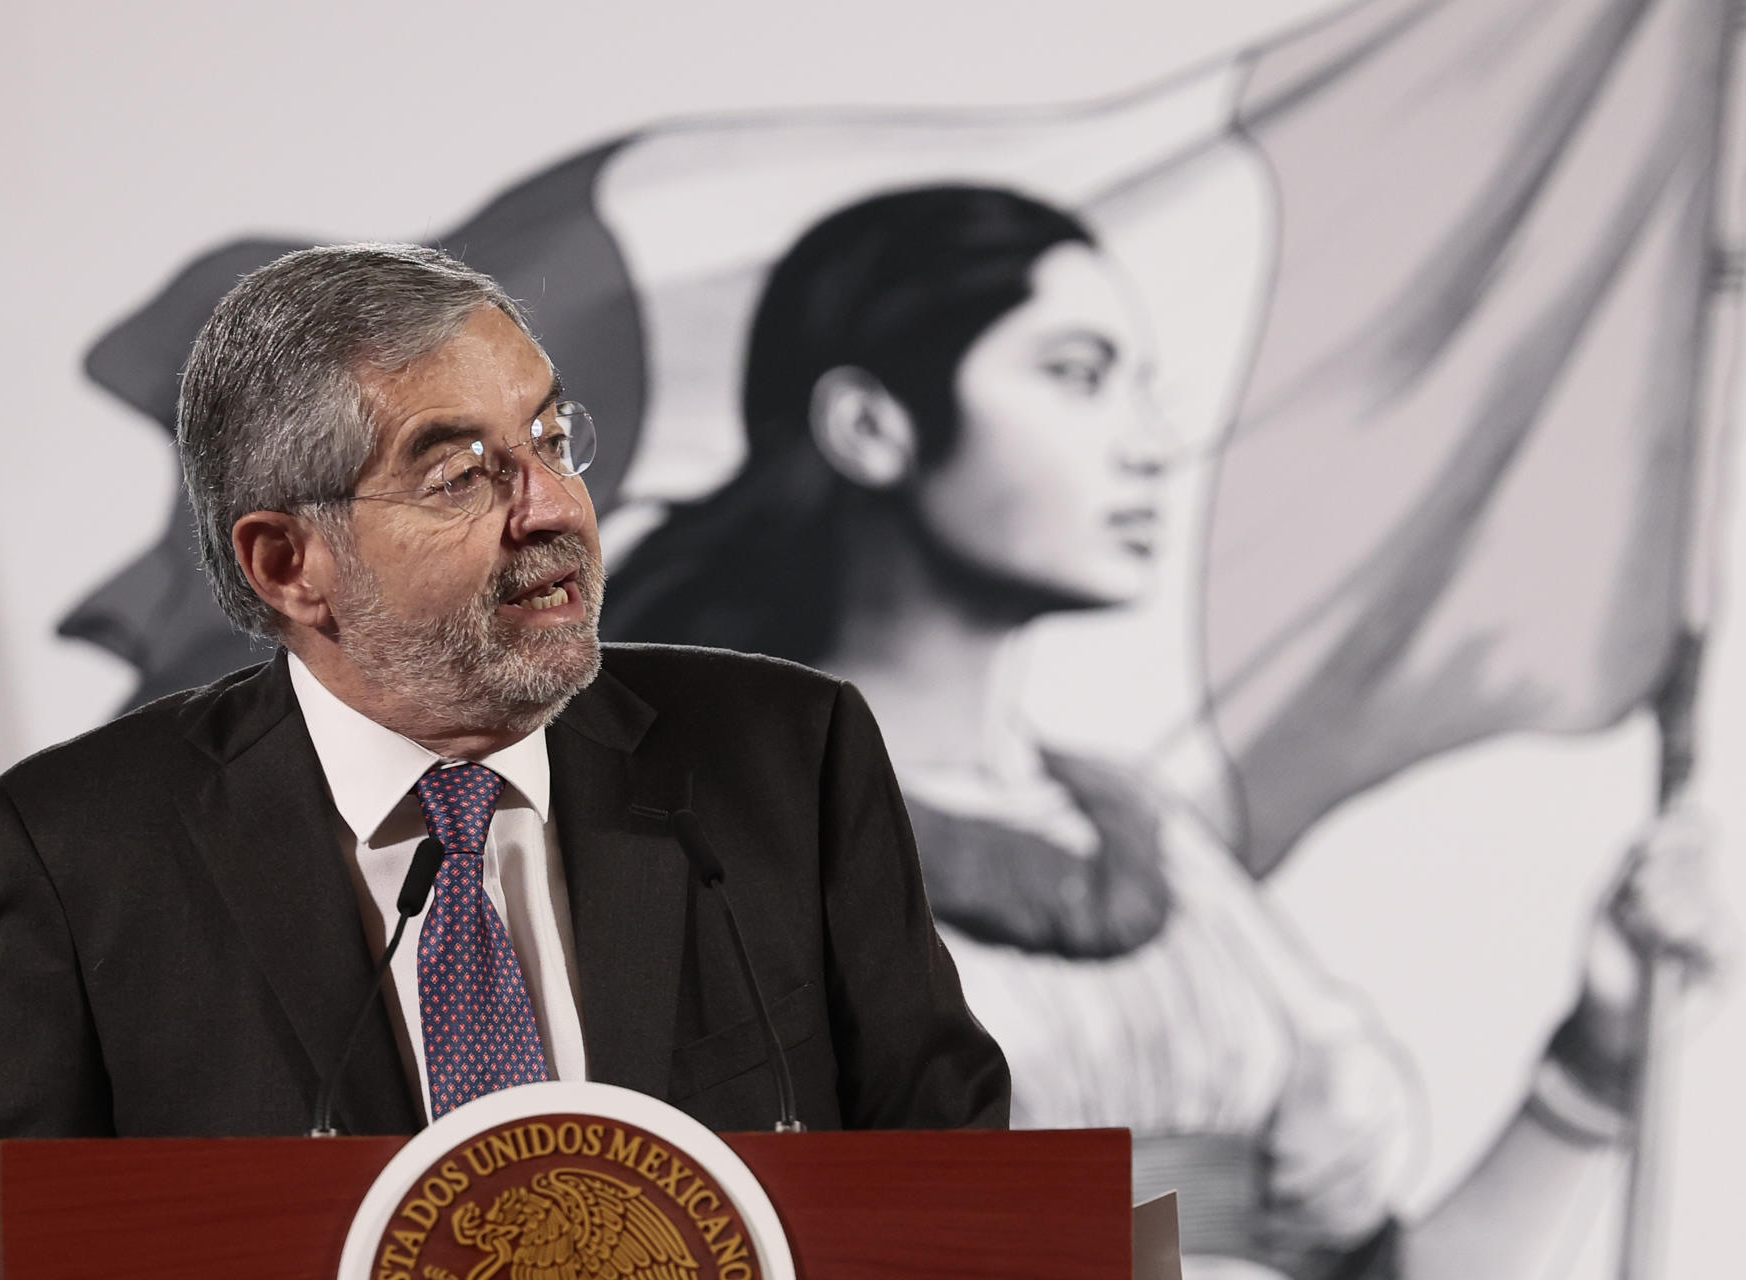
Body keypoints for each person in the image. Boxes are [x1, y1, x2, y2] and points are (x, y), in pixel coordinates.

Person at [603, 186, 1726, 1279]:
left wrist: (1594, 1064)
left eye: (1145, 387)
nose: (1149, 443)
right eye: (1078, 375)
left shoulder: (1151, 840)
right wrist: (1194, 1200)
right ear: (870, 423)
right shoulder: (710, 835)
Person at [0, 243, 1008, 1279]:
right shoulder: (90, 849)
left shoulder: (782, 759)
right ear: (288, 562)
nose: (552, 508)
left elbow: (966, 1190)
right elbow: (2, 1259)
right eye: (459, 476)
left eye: (550, 439)